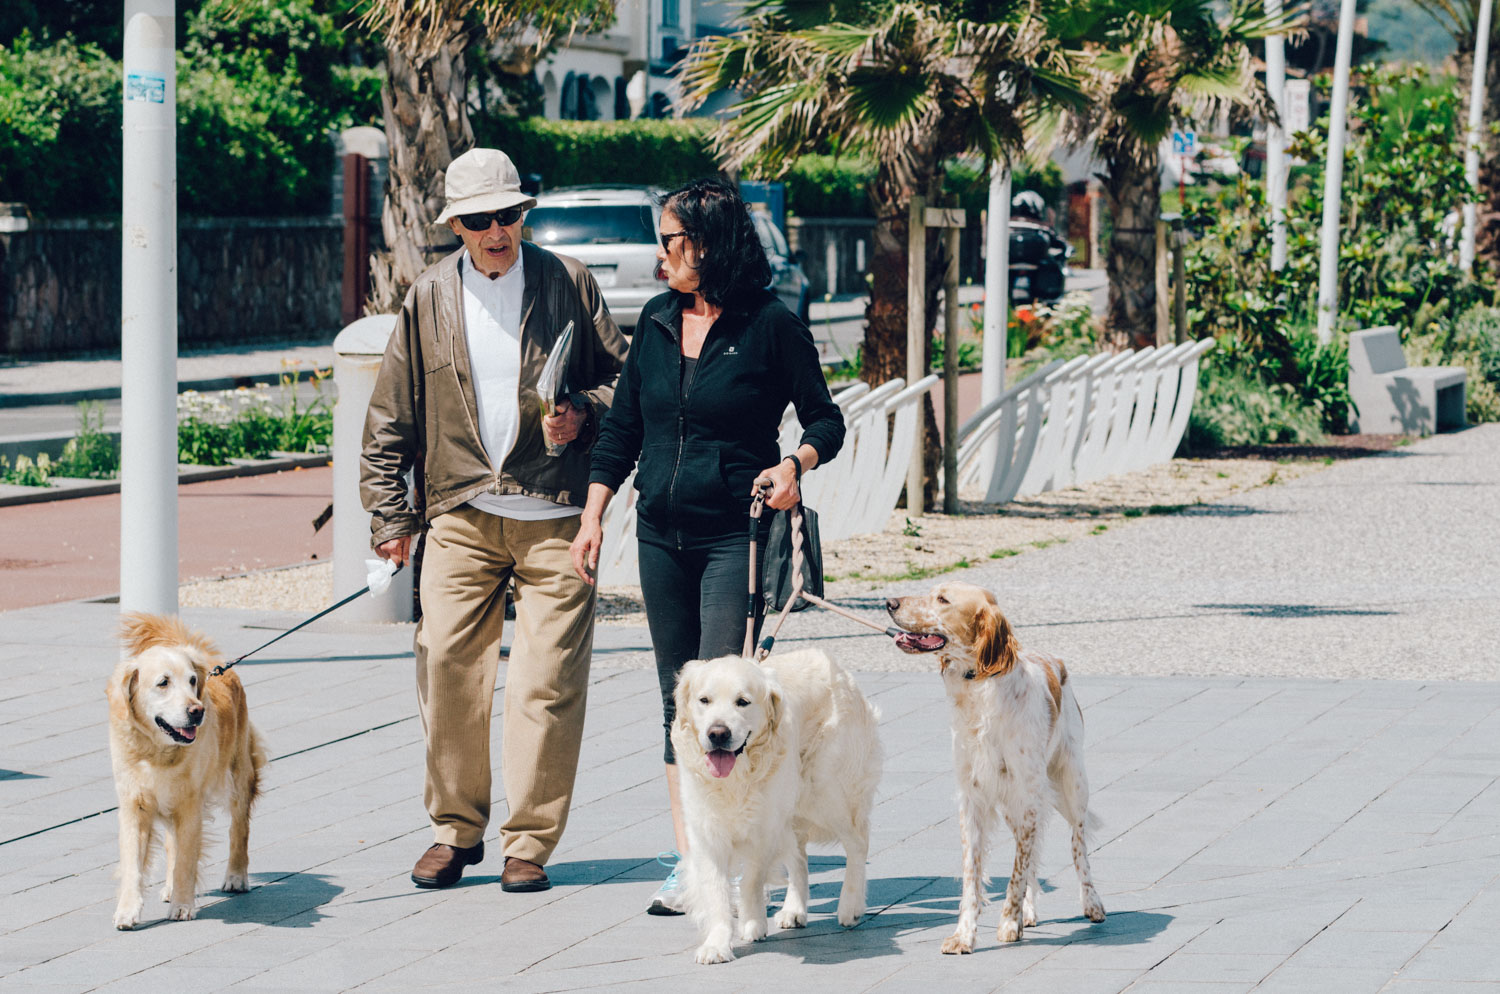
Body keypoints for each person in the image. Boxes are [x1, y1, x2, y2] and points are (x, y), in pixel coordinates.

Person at [569, 176, 845, 915]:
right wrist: (595, 514)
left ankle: (743, 854)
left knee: (725, 697)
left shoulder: (772, 327)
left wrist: (794, 466)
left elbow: (826, 421)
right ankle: (696, 862)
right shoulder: (658, 321)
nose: (660, 257)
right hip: (660, 533)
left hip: (734, 536)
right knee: (679, 703)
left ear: (708, 243)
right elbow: (624, 430)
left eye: (670, 243)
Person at [361, 147, 629, 893]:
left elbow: (622, 380)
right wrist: (390, 513)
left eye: (508, 215)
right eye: (480, 220)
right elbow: (390, 416)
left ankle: (530, 844)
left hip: (555, 513)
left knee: (544, 684)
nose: (497, 230)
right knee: (446, 665)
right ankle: (456, 831)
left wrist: (583, 413)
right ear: (457, 227)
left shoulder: (567, 281)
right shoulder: (427, 297)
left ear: (522, 215)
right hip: (461, 513)